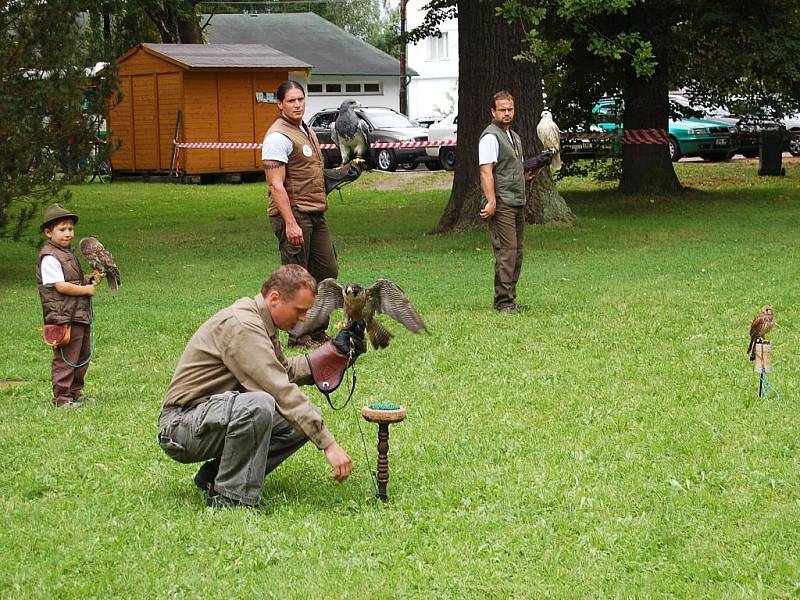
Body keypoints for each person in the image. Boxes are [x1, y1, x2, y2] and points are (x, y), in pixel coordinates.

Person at [157, 265, 367, 509]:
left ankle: (215, 476)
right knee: (261, 404)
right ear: (275, 298)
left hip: (209, 417)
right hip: (181, 426)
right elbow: (277, 388)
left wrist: (331, 354)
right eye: (299, 310)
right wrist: (328, 444)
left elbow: (283, 371)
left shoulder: (260, 319)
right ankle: (231, 498)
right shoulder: (243, 325)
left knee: (302, 419)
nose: (303, 319)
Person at [262, 81, 364, 348]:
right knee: (295, 278)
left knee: (327, 271)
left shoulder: (305, 130)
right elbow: (276, 185)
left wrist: (341, 174)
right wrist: (290, 223)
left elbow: (311, 176)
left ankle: (317, 329)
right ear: (280, 104)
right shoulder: (277, 137)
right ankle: (297, 335)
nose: (297, 105)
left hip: (315, 213)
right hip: (294, 214)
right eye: (291, 101)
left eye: (300, 99)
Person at [478, 90, 535, 314]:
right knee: (507, 252)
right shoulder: (490, 137)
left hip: (516, 200)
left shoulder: (514, 136)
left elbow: (506, 169)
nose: (507, 113)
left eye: (510, 109)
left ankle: (510, 299)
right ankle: (503, 302)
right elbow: (486, 171)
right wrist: (491, 202)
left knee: (517, 252)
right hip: (502, 203)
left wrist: (523, 177)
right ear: (493, 111)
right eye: (502, 109)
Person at [35, 203, 97, 407]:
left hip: (78, 315)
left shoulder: (67, 254)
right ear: (48, 232)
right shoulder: (50, 257)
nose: (68, 233)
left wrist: (89, 279)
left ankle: (75, 393)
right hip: (62, 317)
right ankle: (62, 398)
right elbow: (61, 287)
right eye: (62, 229)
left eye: (70, 229)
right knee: (66, 358)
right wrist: (86, 290)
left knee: (82, 355)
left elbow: (72, 281)